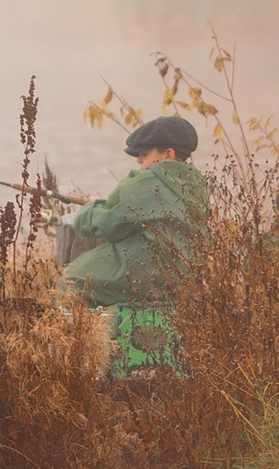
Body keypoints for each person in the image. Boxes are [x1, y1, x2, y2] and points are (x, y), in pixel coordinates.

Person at [58, 114, 210, 368]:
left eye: (144, 153)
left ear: (168, 154)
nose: (139, 160)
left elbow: (107, 226)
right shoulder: (199, 184)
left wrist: (91, 206)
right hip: (184, 279)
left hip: (146, 275)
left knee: (72, 281)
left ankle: (87, 366)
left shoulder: (144, 181)